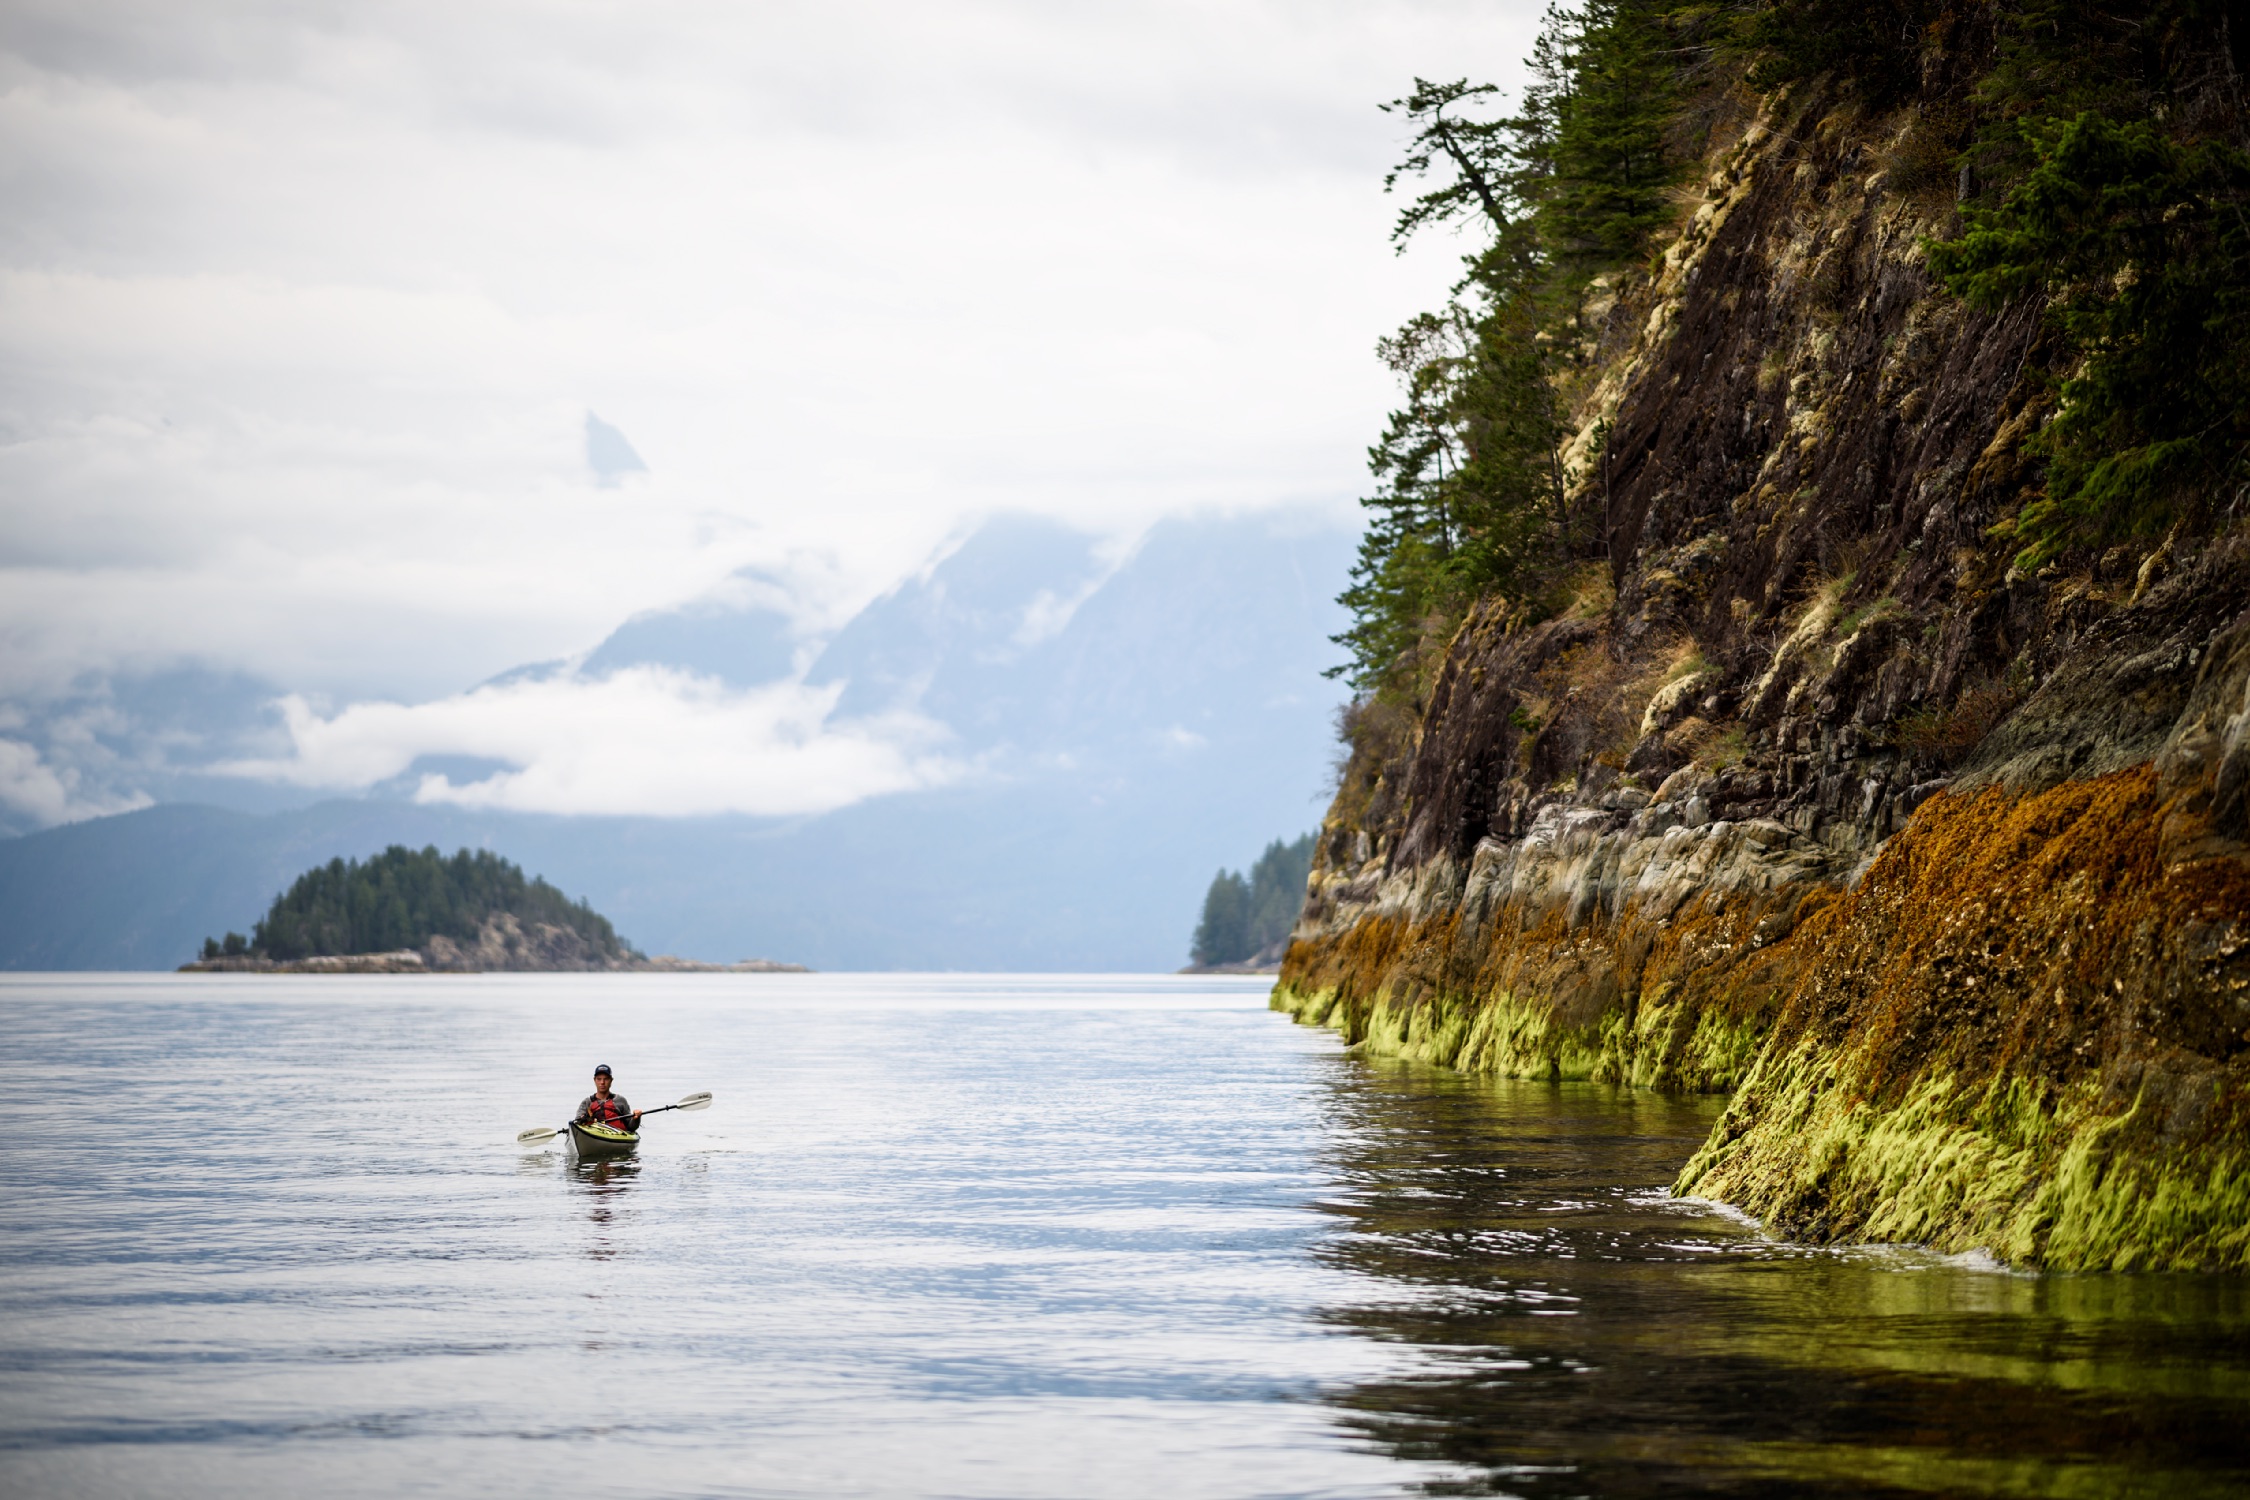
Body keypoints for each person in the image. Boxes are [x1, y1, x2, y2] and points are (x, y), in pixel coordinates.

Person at [574, 1064, 642, 1133]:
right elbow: (577, 1122)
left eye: (606, 1079)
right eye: (599, 1079)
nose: (602, 1082)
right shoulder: (587, 1102)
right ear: (595, 1080)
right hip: (593, 1133)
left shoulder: (620, 1101)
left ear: (611, 1080)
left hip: (617, 1136)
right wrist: (583, 1119)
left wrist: (636, 1118)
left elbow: (631, 1127)